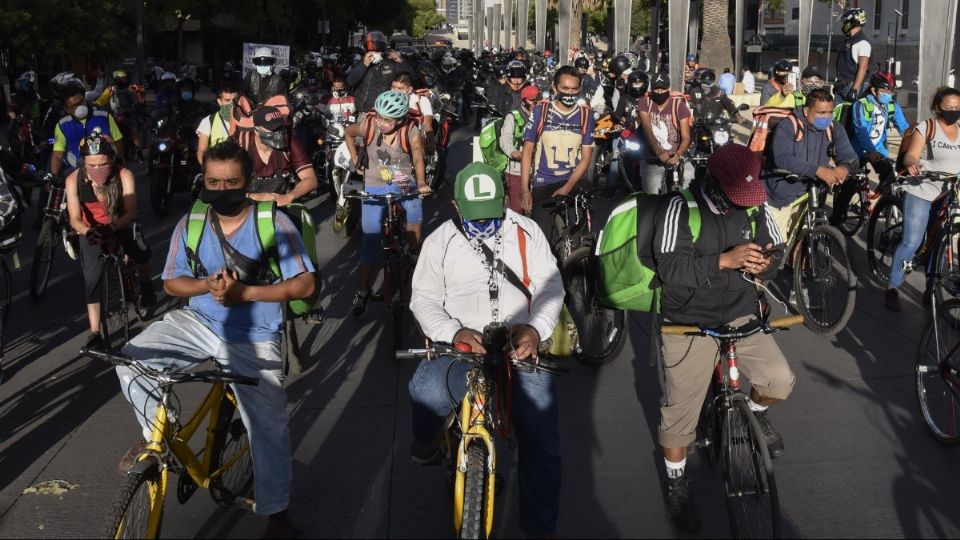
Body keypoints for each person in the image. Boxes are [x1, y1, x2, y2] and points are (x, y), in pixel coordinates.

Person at [115, 140, 314, 538]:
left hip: (255, 332)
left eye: (231, 183)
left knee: (267, 427)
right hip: (200, 321)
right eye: (213, 182)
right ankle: (160, 435)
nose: (221, 190)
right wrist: (206, 285)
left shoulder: (272, 222)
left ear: (248, 182)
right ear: (203, 179)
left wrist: (246, 294)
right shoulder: (192, 221)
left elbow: (306, 284)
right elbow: (172, 282)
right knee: (131, 359)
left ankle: (276, 510)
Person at [408, 162, 565, 538]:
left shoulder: (527, 231)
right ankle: (428, 441)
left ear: (505, 201)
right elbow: (423, 299)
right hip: (461, 345)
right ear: (456, 206)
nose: (484, 224)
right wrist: (454, 330)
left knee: (542, 443)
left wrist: (535, 328)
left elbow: (551, 287)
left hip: (518, 345)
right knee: (425, 392)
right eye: (474, 217)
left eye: (491, 214)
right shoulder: (439, 240)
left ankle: (539, 530)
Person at [653, 143, 794, 531]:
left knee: (779, 380)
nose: (744, 204)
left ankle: (756, 413)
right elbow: (669, 267)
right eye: (737, 196)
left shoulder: (754, 205)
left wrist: (765, 263)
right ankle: (677, 480)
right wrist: (724, 261)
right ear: (714, 182)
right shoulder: (679, 208)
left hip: (741, 312)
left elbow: (776, 247)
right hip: (688, 321)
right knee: (680, 414)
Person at [343, 90, 432, 318]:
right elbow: (348, 133)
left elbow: (418, 156)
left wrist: (421, 183)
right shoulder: (369, 125)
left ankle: (412, 250)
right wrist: (355, 160)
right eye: (380, 117)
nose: (382, 123)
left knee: (415, 209)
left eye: (388, 120)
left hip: (403, 180)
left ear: (400, 120)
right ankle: (362, 291)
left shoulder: (410, 131)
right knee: (370, 241)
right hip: (374, 182)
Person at [65, 130, 155, 347]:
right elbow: (74, 218)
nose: (97, 169)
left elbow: (131, 212)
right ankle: (94, 332)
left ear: (112, 161)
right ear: (83, 162)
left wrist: (112, 227)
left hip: (120, 221)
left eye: (102, 164)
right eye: (92, 165)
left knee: (139, 251)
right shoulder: (73, 180)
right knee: (92, 279)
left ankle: (146, 284)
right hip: (91, 229)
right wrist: (88, 232)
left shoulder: (124, 175)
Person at [884, 87, 960, 312]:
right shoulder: (927, 127)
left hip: (948, 192)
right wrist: (912, 163)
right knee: (912, 242)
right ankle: (893, 286)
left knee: (939, 241)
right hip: (922, 190)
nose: (954, 111)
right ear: (938, 108)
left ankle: (931, 289)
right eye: (949, 108)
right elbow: (911, 155)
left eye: (958, 108)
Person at [763, 88, 858, 242]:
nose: (826, 117)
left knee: (806, 246)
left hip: (812, 194)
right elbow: (782, 158)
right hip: (781, 195)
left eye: (830, 112)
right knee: (775, 251)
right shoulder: (788, 126)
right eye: (821, 113)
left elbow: (850, 157)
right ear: (806, 111)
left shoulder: (835, 128)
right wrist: (817, 170)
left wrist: (844, 168)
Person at [519, 66, 596, 233]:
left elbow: (586, 158)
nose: (570, 93)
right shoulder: (541, 110)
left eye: (574, 89)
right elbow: (527, 151)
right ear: (554, 87)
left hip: (574, 182)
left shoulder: (586, 115)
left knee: (587, 231)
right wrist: (525, 189)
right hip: (545, 182)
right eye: (565, 88)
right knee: (540, 238)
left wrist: (567, 188)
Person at [831, 70, 909, 226]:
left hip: (879, 148)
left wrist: (915, 142)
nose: (888, 94)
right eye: (884, 91)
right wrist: (870, 152)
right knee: (850, 184)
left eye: (891, 91)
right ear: (874, 89)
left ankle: (887, 205)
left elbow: (905, 129)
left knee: (890, 177)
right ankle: (835, 220)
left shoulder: (892, 106)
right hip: (857, 149)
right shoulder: (861, 105)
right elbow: (861, 130)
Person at [239, 105, 319, 205]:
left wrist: (290, 196)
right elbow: (224, 187)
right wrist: (252, 196)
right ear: (256, 131)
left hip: (282, 204)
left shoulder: (289, 142)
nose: (279, 134)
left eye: (281, 128)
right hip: (246, 205)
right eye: (273, 129)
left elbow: (311, 179)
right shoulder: (241, 145)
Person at [636, 72, 694, 194]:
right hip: (652, 155)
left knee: (689, 180)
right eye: (656, 89)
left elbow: (686, 136)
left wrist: (678, 154)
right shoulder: (645, 103)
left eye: (663, 89)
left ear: (668, 89)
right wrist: (659, 152)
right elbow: (647, 128)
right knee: (651, 194)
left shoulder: (679, 105)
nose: (660, 92)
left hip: (676, 155)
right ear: (652, 89)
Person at [50, 84, 124, 179]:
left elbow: (118, 141)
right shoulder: (62, 126)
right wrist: (54, 176)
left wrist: (119, 162)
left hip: (106, 169)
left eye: (81, 102)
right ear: (67, 109)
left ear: (85, 99)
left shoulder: (104, 117)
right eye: (74, 106)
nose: (80, 107)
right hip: (78, 172)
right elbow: (57, 155)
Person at [347, 30, 415, 114]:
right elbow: (350, 82)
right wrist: (364, 65)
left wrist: (400, 61)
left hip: (386, 110)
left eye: (377, 51)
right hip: (365, 112)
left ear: (382, 51)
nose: (373, 54)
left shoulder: (390, 64)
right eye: (370, 51)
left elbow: (412, 77)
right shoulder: (361, 63)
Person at [500, 85, 539, 214]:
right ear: (523, 101)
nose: (536, 103)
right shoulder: (513, 116)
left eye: (537, 99)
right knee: (517, 209)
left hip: (538, 169)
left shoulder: (542, 116)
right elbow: (505, 139)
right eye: (532, 100)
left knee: (539, 208)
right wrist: (513, 152)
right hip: (516, 170)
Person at [196, 75, 241, 164]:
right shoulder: (208, 121)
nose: (232, 104)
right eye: (227, 100)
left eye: (235, 100)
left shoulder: (248, 120)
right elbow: (202, 151)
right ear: (219, 102)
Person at [391, 72, 435, 154]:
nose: (395, 91)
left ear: (410, 89)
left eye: (400, 88)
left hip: (415, 143)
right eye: (393, 87)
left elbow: (427, 125)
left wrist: (431, 145)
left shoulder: (421, 101)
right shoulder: (387, 100)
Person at [834, 7, 871, 102]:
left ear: (852, 22)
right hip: (842, 86)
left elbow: (863, 67)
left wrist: (854, 89)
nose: (843, 24)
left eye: (845, 21)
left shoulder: (862, 43)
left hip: (852, 86)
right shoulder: (850, 40)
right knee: (837, 115)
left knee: (850, 115)